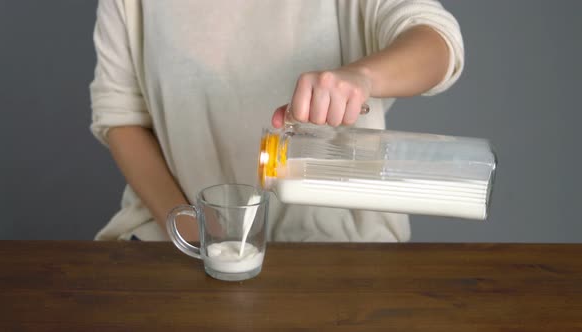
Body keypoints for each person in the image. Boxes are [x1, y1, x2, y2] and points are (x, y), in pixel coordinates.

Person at [90, 0, 464, 242]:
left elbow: (436, 40)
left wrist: (363, 77)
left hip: (341, 249)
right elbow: (122, 118)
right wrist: (195, 231)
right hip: (175, 240)